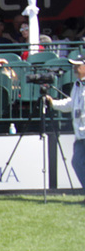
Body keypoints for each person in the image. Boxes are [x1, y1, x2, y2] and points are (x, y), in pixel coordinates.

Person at [46, 52, 85, 188]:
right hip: (80, 134)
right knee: (77, 162)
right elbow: (71, 103)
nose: (74, 68)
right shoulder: (77, 84)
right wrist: (53, 103)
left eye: (77, 65)